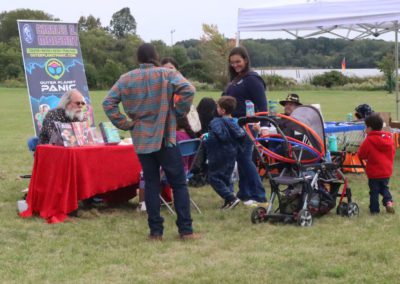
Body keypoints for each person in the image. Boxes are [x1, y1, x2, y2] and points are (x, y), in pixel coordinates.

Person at [103, 43, 199, 241]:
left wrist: (125, 123)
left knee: (151, 184)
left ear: (137, 58)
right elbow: (189, 89)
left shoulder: (126, 78)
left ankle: (155, 231)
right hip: (165, 137)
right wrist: (178, 111)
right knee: (179, 183)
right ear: (156, 56)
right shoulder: (166, 74)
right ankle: (186, 230)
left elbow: (108, 103)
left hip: (141, 138)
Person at [224, 46, 267, 205]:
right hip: (234, 125)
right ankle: (245, 193)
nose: (235, 65)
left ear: (246, 60)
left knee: (245, 159)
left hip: (247, 126)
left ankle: (258, 194)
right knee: (242, 160)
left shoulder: (252, 79)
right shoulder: (235, 79)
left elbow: (262, 106)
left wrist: (264, 126)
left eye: (238, 62)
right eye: (232, 62)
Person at [204, 96, 244, 209]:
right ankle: (229, 201)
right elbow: (240, 136)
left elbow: (216, 137)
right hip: (231, 153)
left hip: (218, 154)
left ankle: (231, 197)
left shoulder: (216, 122)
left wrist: (206, 141)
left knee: (214, 178)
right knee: (227, 177)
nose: (216, 108)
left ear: (222, 110)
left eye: (217, 107)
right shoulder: (235, 122)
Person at [357, 113, 395, 214]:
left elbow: (361, 154)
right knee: (384, 188)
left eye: (366, 127)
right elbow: (393, 152)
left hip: (374, 172)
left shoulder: (369, 140)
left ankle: (374, 210)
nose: (365, 129)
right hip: (386, 171)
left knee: (374, 191)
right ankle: (388, 202)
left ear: (370, 127)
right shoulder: (389, 138)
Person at [162, 57, 202, 134]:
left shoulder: (183, 88)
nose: (168, 72)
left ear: (177, 71)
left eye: (171, 68)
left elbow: (190, 91)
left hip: (181, 128)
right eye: (164, 69)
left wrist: (175, 115)